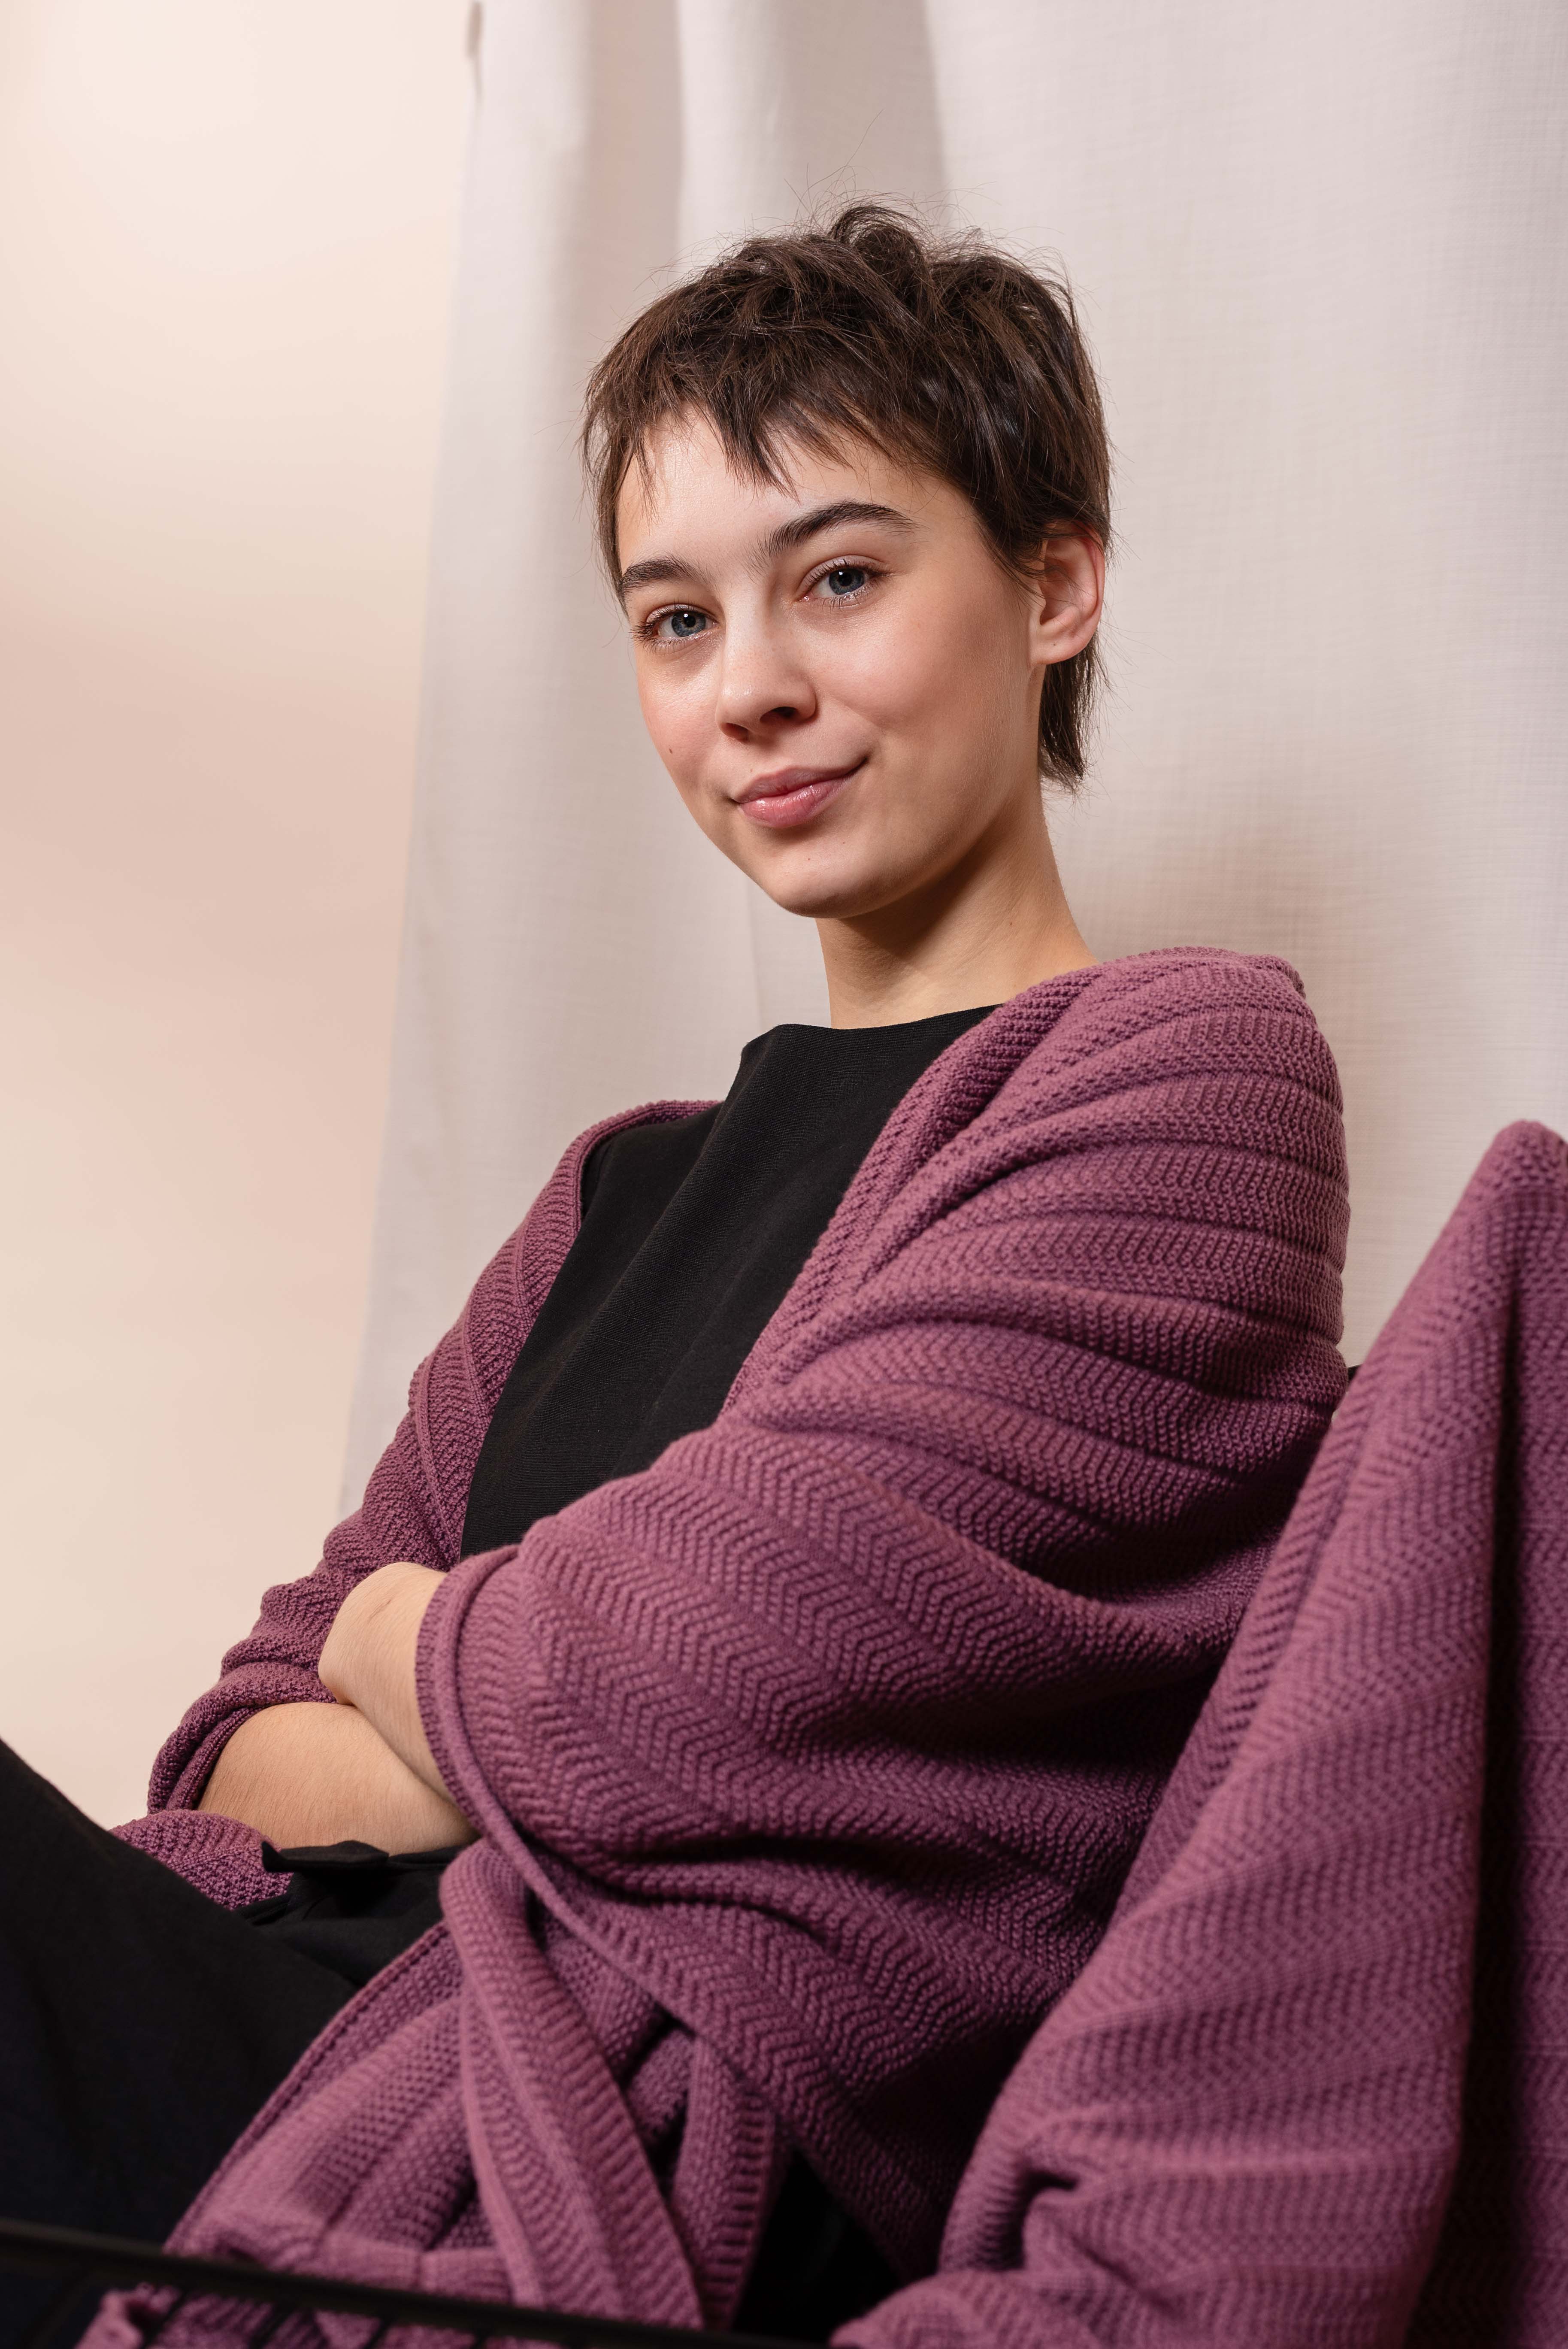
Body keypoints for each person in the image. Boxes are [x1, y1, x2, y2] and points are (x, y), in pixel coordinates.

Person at [0, 205, 1349, 2347]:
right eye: (674, 617)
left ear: (1053, 583)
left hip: (549, 2151)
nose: (751, 689)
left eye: (839, 577)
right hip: (291, 2045)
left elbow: (666, 1676)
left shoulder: (1179, 1073)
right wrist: (529, 1727)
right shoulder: (616, 1193)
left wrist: (405, 1639)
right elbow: (236, 1745)